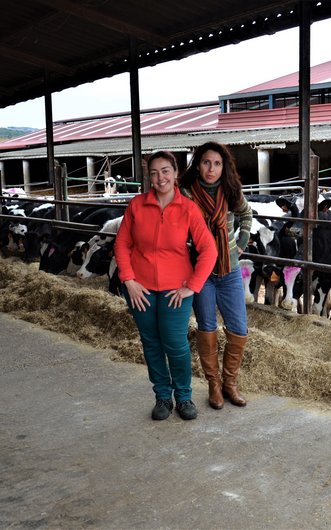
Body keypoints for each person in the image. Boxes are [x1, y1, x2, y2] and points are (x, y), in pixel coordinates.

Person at [114, 151, 217, 421]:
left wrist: (192, 286)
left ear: (175, 173)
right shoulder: (137, 205)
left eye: (165, 171)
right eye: (154, 173)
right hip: (140, 289)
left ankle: (183, 396)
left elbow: (209, 250)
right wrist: (128, 279)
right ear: (149, 177)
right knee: (151, 343)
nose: (160, 177)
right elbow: (122, 244)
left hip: (176, 290)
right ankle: (162, 395)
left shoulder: (188, 209)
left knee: (176, 343)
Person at [179, 141, 254, 410]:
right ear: (197, 164)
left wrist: (242, 242)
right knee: (207, 328)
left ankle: (230, 383)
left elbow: (247, 214)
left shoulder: (231, 190)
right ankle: (213, 384)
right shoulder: (185, 194)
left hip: (230, 270)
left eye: (217, 164)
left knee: (239, 328)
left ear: (225, 167)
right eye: (207, 163)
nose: (212, 169)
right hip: (201, 272)